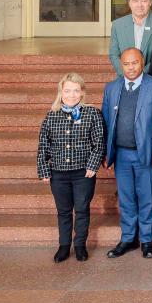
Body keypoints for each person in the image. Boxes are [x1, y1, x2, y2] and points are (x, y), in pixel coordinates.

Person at [102, 49, 152, 260]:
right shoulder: (112, 88)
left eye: (135, 63)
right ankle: (128, 238)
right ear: (121, 65)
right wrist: (105, 152)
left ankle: (147, 240)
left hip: (146, 153)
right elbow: (105, 122)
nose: (131, 68)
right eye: (127, 64)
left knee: (147, 197)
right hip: (121, 154)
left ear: (143, 63)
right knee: (126, 198)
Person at [37, 72, 104, 263]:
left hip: (83, 172)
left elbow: (98, 142)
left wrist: (93, 165)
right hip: (59, 173)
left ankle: (80, 245)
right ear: (61, 92)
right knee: (64, 210)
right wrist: (44, 169)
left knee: (82, 209)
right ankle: (64, 245)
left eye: (76, 91)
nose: (72, 95)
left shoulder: (92, 113)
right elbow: (44, 144)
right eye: (68, 91)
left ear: (82, 93)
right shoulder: (52, 115)